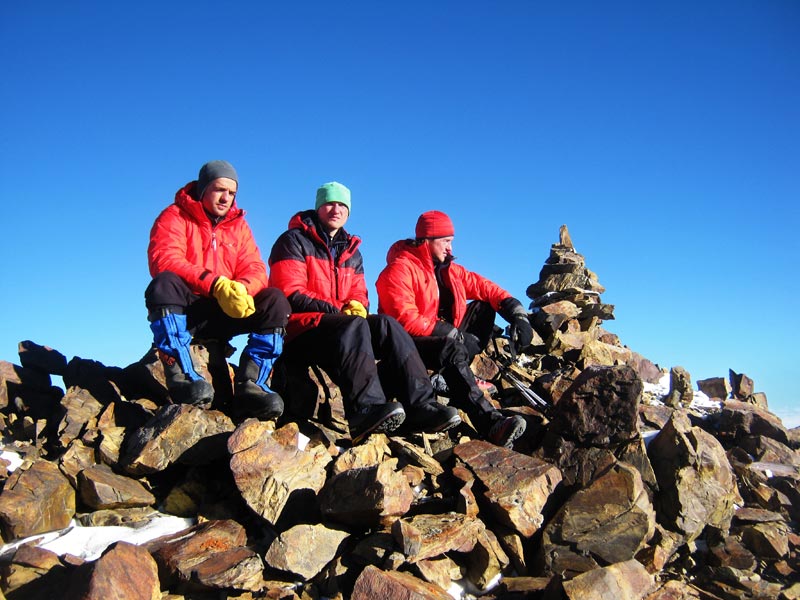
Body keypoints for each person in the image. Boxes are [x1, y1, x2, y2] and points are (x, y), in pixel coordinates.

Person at [268, 182, 461, 444]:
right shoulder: (292, 240)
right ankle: (363, 412)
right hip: (301, 329)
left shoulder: (352, 251)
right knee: (354, 326)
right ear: (318, 207)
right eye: (329, 203)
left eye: (342, 205)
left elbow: (359, 293)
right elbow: (290, 291)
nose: (336, 209)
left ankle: (421, 405)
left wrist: (357, 305)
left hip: (339, 327)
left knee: (387, 325)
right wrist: (340, 309)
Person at [376, 210, 534, 448]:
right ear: (427, 240)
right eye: (446, 241)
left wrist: (517, 314)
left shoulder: (449, 270)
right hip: (408, 345)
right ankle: (490, 423)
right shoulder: (400, 269)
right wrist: (454, 335)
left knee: (483, 307)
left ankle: (448, 377)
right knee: (450, 348)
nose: (450, 248)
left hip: (443, 338)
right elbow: (404, 318)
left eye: (451, 241)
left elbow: (486, 288)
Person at [145, 160, 291, 420]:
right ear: (203, 189)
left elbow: (255, 267)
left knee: (275, 300)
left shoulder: (239, 226)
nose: (226, 198)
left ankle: (252, 386)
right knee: (163, 283)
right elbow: (164, 259)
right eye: (219, 189)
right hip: (189, 312)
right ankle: (184, 378)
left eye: (232, 193)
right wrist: (216, 284)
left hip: (225, 312)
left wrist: (241, 290)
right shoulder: (174, 215)